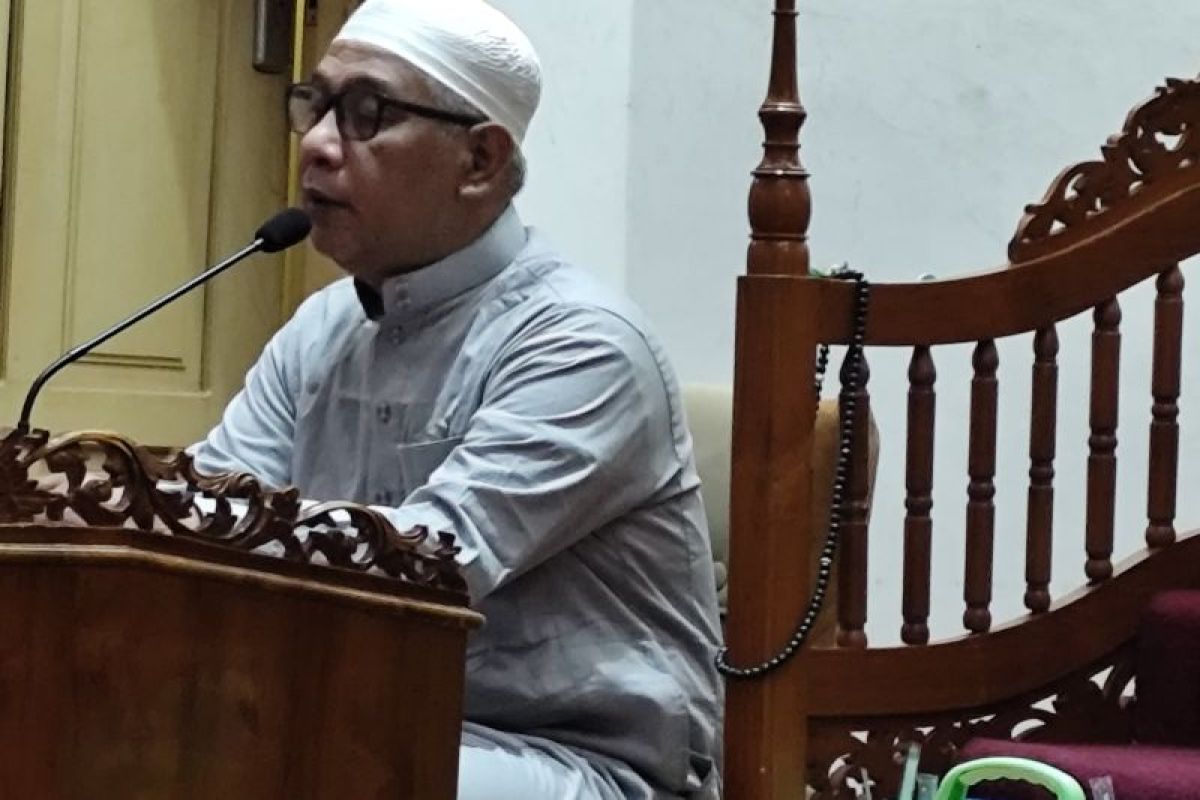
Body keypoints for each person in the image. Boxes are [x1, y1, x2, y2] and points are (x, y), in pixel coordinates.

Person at [191, 1, 723, 797]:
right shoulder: (321, 329)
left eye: (366, 113)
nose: (318, 143)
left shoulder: (583, 343)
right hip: (369, 726)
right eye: (316, 103)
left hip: (581, 760)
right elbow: (204, 521)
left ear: (479, 159)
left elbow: (416, 577)